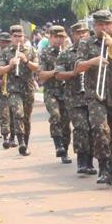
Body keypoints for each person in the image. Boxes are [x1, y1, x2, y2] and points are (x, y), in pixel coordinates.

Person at [73, 11, 112, 186]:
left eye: (107, 24)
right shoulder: (85, 43)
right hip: (95, 95)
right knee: (100, 129)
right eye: (100, 25)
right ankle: (103, 168)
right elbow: (78, 67)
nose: (104, 28)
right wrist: (91, 62)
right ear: (94, 26)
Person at [55, 22, 97, 175]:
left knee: (93, 129)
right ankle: (81, 160)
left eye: (85, 33)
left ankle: (90, 161)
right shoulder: (66, 54)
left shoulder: (94, 52)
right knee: (81, 128)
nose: (82, 36)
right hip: (74, 98)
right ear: (72, 35)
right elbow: (58, 74)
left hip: (92, 97)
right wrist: (73, 73)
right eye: (78, 33)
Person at [0, 25, 39, 156]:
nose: (18, 39)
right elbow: (0, 71)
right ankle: (20, 142)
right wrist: (10, 65)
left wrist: (25, 61)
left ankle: (25, 143)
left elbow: (37, 67)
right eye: (15, 36)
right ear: (11, 38)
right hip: (13, 89)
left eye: (20, 36)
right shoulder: (5, 52)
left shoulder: (31, 50)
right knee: (18, 113)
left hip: (28, 88)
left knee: (26, 118)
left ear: (24, 37)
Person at [37, 25, 73, 163]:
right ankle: (58, 145)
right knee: (55, 115)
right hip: (51, 91)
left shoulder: (68, 52)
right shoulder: (45, 53)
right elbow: (40, 75)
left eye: (62, 37)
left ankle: (65, 151)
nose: (59, 40)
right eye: (56, 37)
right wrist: (54, 72)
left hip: (67, 92)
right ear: (51, 37)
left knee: (66, 123)